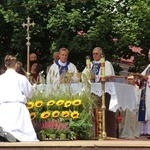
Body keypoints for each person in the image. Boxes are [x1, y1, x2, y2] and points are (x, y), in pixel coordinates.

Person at [0, 55, 38, 142]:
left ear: (5, 65)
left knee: (5, 126)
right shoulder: (21, 78)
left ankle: (5, 135)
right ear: (16, 65)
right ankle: (16, 137)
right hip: (18, 107)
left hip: (4, 107)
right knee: (23, 133)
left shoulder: (0, 78)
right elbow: (29, 92)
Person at [134, 50, 150, 138]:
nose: (149, 56)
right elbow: (142, 76)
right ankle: (147, 132)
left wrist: (146, 78)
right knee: (146, 111)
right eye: (148, 54)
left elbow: (146, 77)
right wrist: (138, 78)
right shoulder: (148, 66)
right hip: (146, 92)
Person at [120, 74, 141, 139]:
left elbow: (139, 97)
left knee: (136, 122)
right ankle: (127, 134)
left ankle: (135, 134)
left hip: (136, 107)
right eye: (128, 79)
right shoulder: (124, 89)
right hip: (127, 108)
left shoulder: (138, 89)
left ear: (135, 80)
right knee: (126, 122)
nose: (129, 81)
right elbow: (122, 98)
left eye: (131, 79)